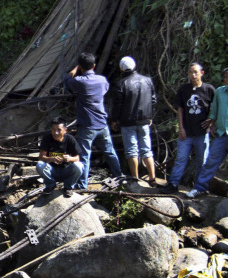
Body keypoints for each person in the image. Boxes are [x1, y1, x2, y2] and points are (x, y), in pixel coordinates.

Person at [64, 52, 122, 189]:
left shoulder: (79, 82)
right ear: (94, 66)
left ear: (81, 67)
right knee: (110, 152)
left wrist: (74, 70)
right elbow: (105, 90)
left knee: (84, 156)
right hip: (102, 124)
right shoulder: (102, 80)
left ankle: (82, 184)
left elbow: (67, 81)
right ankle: (119, 176)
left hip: (87, 126)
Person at [161, 63, 215, 194]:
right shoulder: (184, 89)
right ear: (188, 74)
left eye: (196, 72)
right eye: (191, 72)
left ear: (202, 73)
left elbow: (216, 107)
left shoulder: (209, 89)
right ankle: (173, 184)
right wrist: (181, 128)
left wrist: (212, 121)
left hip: (202, 133)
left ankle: (200, 187)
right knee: (181, 159)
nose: (193, 75)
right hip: (186, 132)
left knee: (202, 161)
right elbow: (180, 109)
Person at [111, 56, 157, 187]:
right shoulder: (147, 81)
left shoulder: (121, 84)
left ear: (121, 69)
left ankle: (135, 179)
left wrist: (114, 120)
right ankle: (152, 178)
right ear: (135, 66)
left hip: (128, 122)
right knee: (147, 150)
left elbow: (117, 105)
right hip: (144, 121)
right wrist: (150, 116)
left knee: (132, 151)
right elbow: (153, 100)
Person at [186, 68, 228, 198]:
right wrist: (212, 123)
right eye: (225, 77)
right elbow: (214, 110)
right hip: (222, 134)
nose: (225, 79)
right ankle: (200, 188)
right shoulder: (220, 91)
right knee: (210, 162)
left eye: (227, 77)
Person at [36, 117, 83, 197]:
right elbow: (41, 157)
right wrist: (51, 159)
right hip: (52, 170)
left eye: (59, 130)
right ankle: (50, 185)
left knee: (79, 165)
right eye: (53, 130)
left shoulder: (70, 139)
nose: (56, 132)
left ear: (65, 130)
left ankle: (68, 187)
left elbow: (77, 158)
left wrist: (69, 159)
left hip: (66, 170)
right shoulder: (47, 138)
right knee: (40, 165)